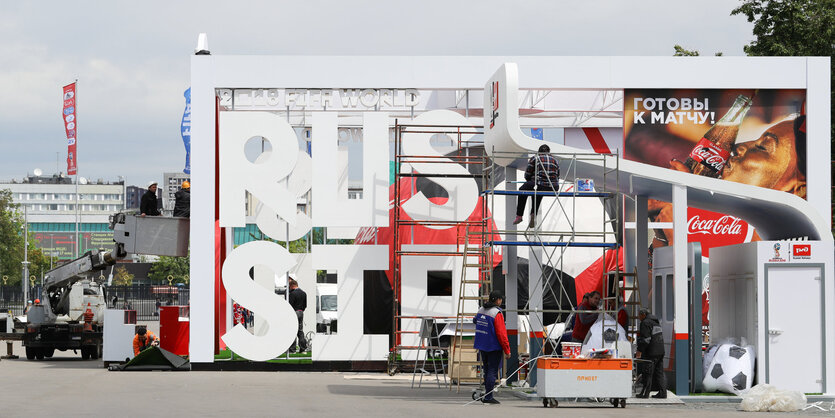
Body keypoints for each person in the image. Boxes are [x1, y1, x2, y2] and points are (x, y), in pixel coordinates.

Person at [473, 290, 511, 405]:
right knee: (492, 371)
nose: (501, 301)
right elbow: (501, 334)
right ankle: (488, 397)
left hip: (482, 345)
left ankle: (486, 394)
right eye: (501, 299)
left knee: (487, 370)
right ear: (498, 300)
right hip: (493, 346)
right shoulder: (496, 313)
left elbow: (475, 320)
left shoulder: (481, 309)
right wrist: (507, 350)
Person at [514, 144, 560, 228]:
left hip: (539, 183)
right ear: (549, 152)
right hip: (553, 187)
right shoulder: (555, 160)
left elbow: (527, 174)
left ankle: (519, 215)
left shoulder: (535, 158)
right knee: (537, 191)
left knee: (523, 190)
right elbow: (558, 175)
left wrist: (530, 179)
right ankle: (533, 214)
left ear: (539, 152)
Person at [636, 307, 667, 399]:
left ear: (643, 314)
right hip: (660, 351)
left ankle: (645, 394)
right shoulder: (656, 322)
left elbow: (646, 339)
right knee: (659, 373)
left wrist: (639, 350)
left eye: (639, 315)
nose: (638, 317)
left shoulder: (645, 323)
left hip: (651, 352)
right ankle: (662, 393)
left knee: (647, 372)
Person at [288, 278, 308, 353]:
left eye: (289, 287)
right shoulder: (304, 293)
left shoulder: (293, 294)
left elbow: (289, 305)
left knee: (293, 331)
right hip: (301, 312)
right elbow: (305, 305)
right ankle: (303, 348)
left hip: (294, 312)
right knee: (300, 331)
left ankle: (292, 350)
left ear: (292, 286)